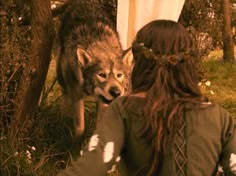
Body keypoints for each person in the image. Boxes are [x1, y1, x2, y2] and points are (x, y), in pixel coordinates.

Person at [57, 20, 236, 176]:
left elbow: (90, 166)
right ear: (189, 65)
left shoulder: (122, 110)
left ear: (139, 64)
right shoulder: (221, 118)